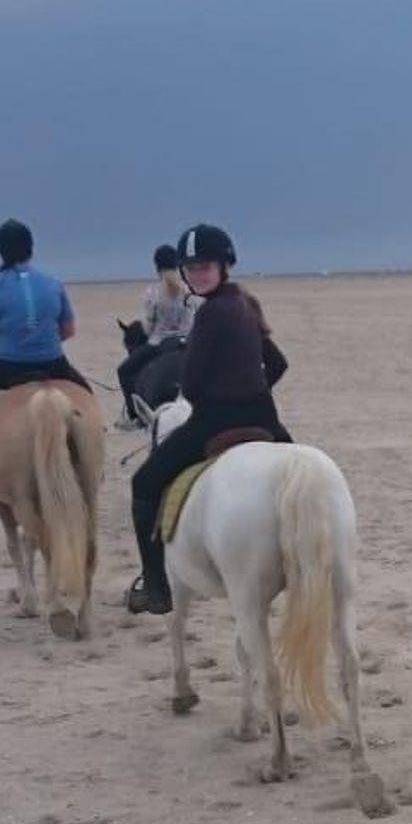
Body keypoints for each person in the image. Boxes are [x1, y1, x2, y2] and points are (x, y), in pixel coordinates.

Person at [125, 224, 291, 614]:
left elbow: (194, 382)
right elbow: (278, 363)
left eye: (205, 266)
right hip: (264, 417)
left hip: (213, 421)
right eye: (191, 268)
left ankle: (156, 587)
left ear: (224, 265)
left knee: (144, 483)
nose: (198, 274)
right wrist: (254, 389)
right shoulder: (246, 302)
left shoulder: (209, 313)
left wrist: (216, 398)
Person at [0, 219, 91, 499]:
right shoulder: (53, 283)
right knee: (88, 398)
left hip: (7, 367)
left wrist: (15, 344)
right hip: (53, 363)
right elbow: (69, 330)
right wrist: (42, 343)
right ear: (31, 248)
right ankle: (89, 464)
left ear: (0, 250)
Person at [116, 244, 200, 427]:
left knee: (124, 371)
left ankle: (135, 416)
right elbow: (193, 321)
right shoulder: (189, 290)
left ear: (157, 267)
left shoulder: (153, 292)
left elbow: (148, 327)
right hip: (187, 342)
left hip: (159, 343)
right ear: (178, 264)